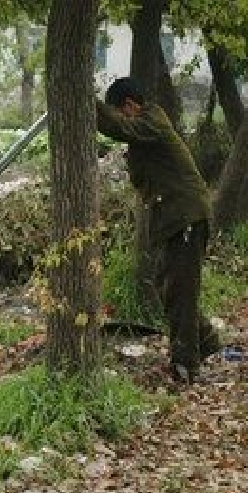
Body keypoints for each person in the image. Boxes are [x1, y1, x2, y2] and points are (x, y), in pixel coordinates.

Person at [96, 77, 220, 385]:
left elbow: (119, 127)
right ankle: (206, 341)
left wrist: (88, 103)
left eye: (119, 111)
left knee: (181, 291)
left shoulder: (152, 120)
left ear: (129, 105)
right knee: (170, 288)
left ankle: (184, 366)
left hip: (186, 216)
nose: (121, 118)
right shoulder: (146, 129)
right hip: (174, 218)